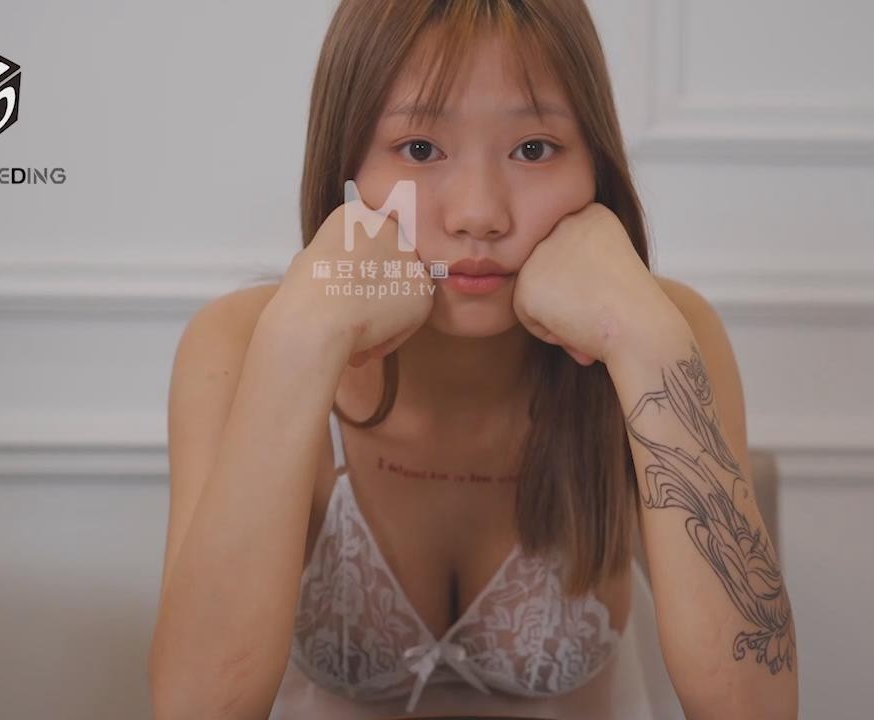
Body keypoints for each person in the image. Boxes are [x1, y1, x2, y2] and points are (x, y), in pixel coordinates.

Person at [148, 1, 799, 718]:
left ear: (596, 168)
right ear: (346, 166)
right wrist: (302, 341)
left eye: (534, 149)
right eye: (420, 149)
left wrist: (642, 337)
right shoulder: (241, 343)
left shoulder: (667, 330)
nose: (479, 214)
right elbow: (196, 708)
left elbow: (754, 709)